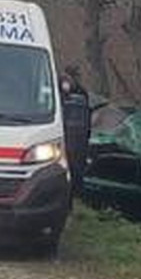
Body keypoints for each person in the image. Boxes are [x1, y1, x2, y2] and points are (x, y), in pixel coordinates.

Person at [58, 64, 91, 194]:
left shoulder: (81, 93)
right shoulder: (59, 87)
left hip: (76, 136)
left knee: (75, 167)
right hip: (69, 135)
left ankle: (74, 193)